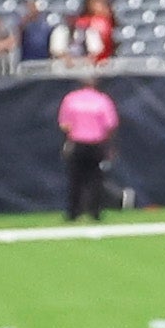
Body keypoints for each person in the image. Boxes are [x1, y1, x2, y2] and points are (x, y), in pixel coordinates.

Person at [56, 73, 117, 219]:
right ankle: (95, 212)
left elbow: (64, 125)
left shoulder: (70, 99)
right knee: (96, 178)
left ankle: (73, 212)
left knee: (75, 179)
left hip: (77, 143)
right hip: (96, 143)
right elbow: (110, 124)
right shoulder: (102, 100)